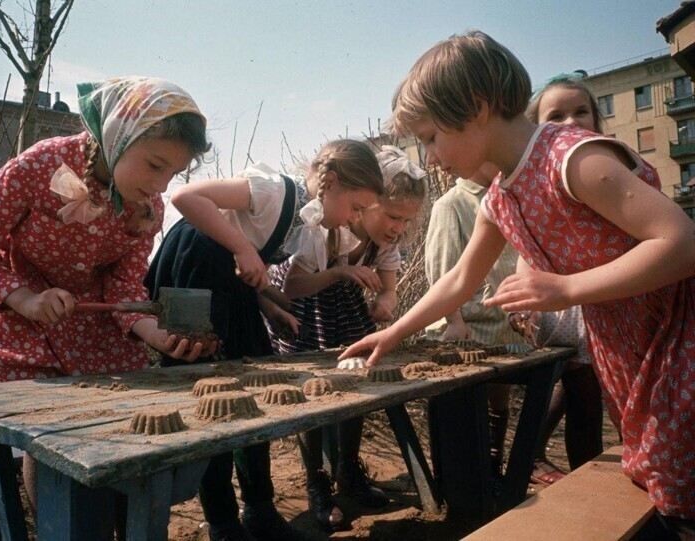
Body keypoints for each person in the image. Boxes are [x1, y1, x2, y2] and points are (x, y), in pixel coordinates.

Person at [340, 31, 695, 538]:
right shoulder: (501, 196)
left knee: (677, 481)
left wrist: (565, 290)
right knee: (662, 480)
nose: (431, 156)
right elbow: (461, 279)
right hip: (626, 347)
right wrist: (393, 332)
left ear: (478, 108)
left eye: (432, 137)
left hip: (678, 340)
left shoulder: (569, 157)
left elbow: (682, 242)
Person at [0, 77, 216, 524]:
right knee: (52, 436)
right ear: (117, 136)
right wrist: (26, 299)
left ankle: (110, 520)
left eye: (173, 174)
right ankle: (64, 526)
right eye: (154, 165)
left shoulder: (146, 209)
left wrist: (157, 334)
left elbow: (125, 289)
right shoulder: (39, 166)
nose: (161, 185)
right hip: (24, 318)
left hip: (96, 326)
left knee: (115, 428)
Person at [145, 138, 384, 541]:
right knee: (210, 400)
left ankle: (259, 508)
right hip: (196, 272)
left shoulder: (307, 227)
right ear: (330, 181)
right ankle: (221, 521)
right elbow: (186, 197)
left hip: (232, 291)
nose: (352, 218)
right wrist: (241, 249)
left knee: (254, 394)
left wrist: (270, 307)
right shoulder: (274, 190)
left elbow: (249, 268)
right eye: (356, 207)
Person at [266, 145, 424, 531]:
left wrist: (385, 304)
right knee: (312, 395)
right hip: (306, 312)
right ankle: (317, 481)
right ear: (367, 201)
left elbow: (390, 290)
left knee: (358, 386)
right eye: (391, 216)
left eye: (406, 220)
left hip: (349, 314)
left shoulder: (384, 244)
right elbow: (291, 288)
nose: (397, 228)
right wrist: (339, 274)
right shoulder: (321, 228)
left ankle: (348, 471)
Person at [515, 73, 606, 484]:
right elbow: (526, 247)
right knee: (583, 396)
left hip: (606, 298)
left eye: (580, 111)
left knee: (575, 391)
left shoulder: (603, 167)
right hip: (567, 306)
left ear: (597, 121)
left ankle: (530, 455)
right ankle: (584, 479)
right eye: (557, 115)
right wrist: (526, 301)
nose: (570, 122)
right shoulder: (543, 179)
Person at [423, 162, 524, 481]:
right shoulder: (452, 203)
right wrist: (453, 318)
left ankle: (492, 468)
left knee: (499, 402)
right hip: (467, 329)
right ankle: (464, 479)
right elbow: (442, 269)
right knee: (466, 412)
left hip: (503, 325)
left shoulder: (507, 195)